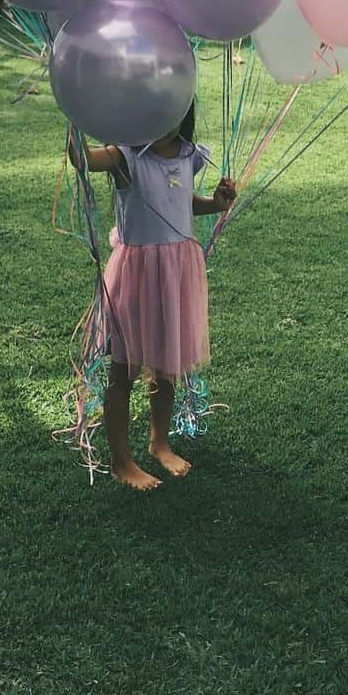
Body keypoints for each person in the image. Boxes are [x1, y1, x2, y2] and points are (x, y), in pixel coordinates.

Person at [81, 102, 236, 490]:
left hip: (177, 274)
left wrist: (214, 205)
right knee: (124, 370)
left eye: (173, 114)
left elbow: (183, 203)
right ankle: (121, 460)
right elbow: (80, 160)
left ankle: (159, 442)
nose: (165, 124)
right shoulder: (125, 156)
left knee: (168, 364)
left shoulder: (187, 155)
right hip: (137, 276)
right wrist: (77, 112)